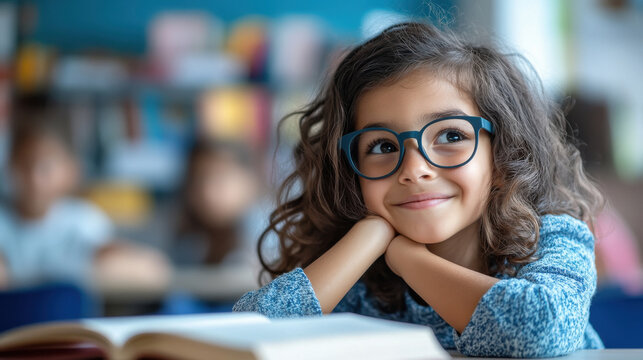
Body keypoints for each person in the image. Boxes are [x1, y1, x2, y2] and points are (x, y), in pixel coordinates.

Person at [232, 22, 605, 357]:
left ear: (505, 153)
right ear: (350, 171)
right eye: (382, 146)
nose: (414, 170)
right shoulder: (356, 274)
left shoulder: (552, 239)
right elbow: (239, 339)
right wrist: (367, 240)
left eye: (451, 135)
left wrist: (409, 260)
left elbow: (538, 330)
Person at [0, 106, 170, 292]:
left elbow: (155, 271)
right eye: (24, 165)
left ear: (71, 170)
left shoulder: (83, 220)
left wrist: (106, 263)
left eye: (45, 167)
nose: (34, 179)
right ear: (10, 166)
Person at [171, 138, 266, 267]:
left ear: (250, 181)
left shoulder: (273, 241)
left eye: (220, 178)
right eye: (198, 180)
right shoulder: (187, 244)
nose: (207, 192)